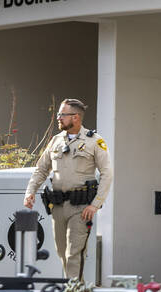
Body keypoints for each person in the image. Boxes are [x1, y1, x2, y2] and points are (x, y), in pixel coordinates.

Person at [23, 98, 113, 280]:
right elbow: (41, 169)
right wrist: (30, 191)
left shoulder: (95, 141)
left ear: (76, 117)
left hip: (81, 208)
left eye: (62, 115)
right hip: (57, 206)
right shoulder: (56, 141)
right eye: (59, 115)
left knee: (74, 252)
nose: (58, 118)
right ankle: (74, 288)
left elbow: (107, 173)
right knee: (62, 251)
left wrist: (95, 205)